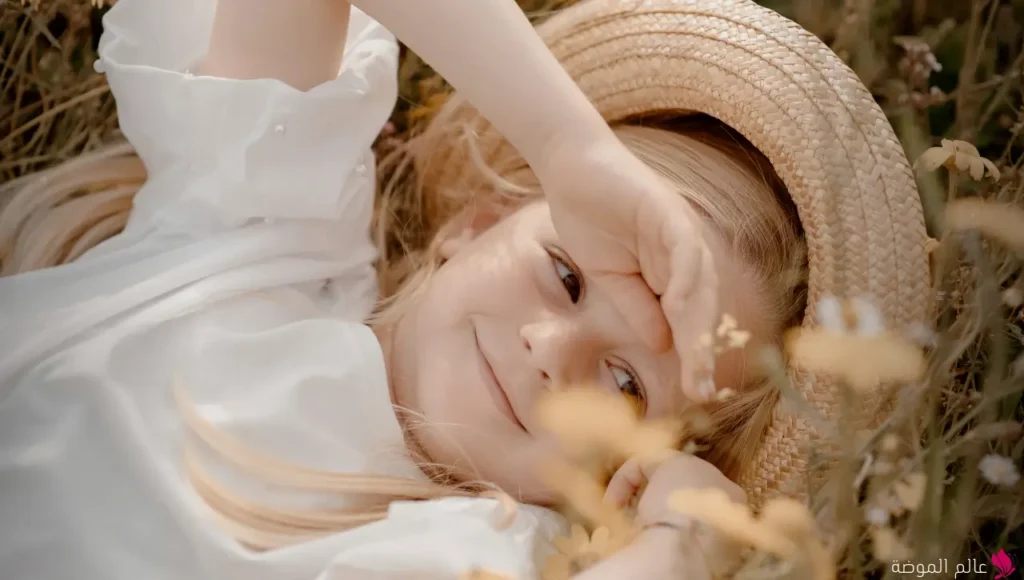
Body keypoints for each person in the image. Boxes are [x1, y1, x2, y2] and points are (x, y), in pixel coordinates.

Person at [0, 0, 932, 579]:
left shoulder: (487, 547)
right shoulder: (267, 236)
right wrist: (567, 145)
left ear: (632, 472)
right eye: (566, 276)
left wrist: (685, 543)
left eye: (625, 384)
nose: (550, 353)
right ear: (475, 225)